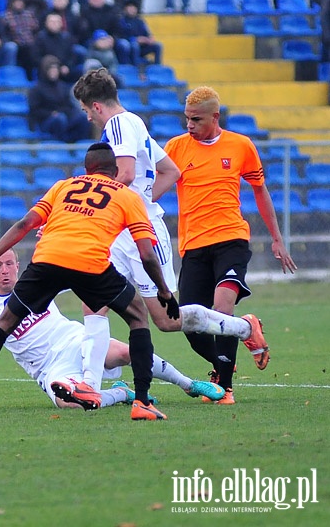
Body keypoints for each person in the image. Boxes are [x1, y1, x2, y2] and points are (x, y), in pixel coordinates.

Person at [0, 142, 178, 422]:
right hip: (91, 264)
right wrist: (164, 292)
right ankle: (142, 402)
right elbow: (147, 253)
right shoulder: (127, 196)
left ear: (86, 169)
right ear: (116, 171)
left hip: (47, 260)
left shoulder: (64, 186)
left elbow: (24, 224)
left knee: (4, 322)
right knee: (138, 316)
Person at [73, 71, 273, 404]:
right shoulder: (134, 123)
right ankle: (90, 386)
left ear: (95, 105)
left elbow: (124, 173)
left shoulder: (118, 125)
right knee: (93, 301)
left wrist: (98, 207)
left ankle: (242, 328)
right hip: (123, 230)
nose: (88, 117)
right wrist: (142, 203)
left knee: (167, 320)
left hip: (140, 234)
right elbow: (171, 172)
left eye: (86, 111)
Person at [0, 246, 226, 410]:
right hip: (50, 368)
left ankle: (189, 384)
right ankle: (120, 393)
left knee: (126, 352)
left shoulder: (35, 284)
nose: (5, 270)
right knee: (71, 404)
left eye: (9, 263)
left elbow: (73, 271)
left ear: (18, 266)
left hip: (76, 341)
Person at [164, 86, 296, 403]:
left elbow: (260, 190)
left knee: (222, 307)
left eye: (196, 119)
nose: (189, 125)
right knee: (189, 325)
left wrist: (277, 238)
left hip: (231, 239)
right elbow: (154, 186)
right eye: (186, 119)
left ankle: (224, 387)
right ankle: (245, 329)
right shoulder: (176, 149)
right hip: (193, 247)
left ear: (215, 116)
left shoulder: (240, 146)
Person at [29, 55, 90, 142]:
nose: (54, 72)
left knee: (82, 118)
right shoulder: (36, 89)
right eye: (51, 69)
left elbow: (68, 105)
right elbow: (35, 110)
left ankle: (79, 146)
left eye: (56, 69)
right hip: (47, 120)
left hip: (65, 116)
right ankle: (61, 145)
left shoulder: (63, 87)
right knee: (59, 119)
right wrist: (51, 113)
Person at [3, 0, 39, 79]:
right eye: (16, 1)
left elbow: (36, 30)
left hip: (30, 43)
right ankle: (12, 76)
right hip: (16, 43)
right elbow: (4, 33)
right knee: (12, 48)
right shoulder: (6, 16)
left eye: (20, 1)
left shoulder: (29, 14)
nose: (19, 4)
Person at [117, 0, 163, 66]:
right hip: (130, 47)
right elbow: (120, 36)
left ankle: (157, 66)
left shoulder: (140, 21)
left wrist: (149, 39)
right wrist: (135, 39)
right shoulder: (121, 21)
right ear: (125, 9)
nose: (132, 9)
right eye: (130, 7)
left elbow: (147, 33)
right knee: (134, 45)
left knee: (158, 45)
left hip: (143, 46)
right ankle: (137, 65)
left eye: (134, 7)